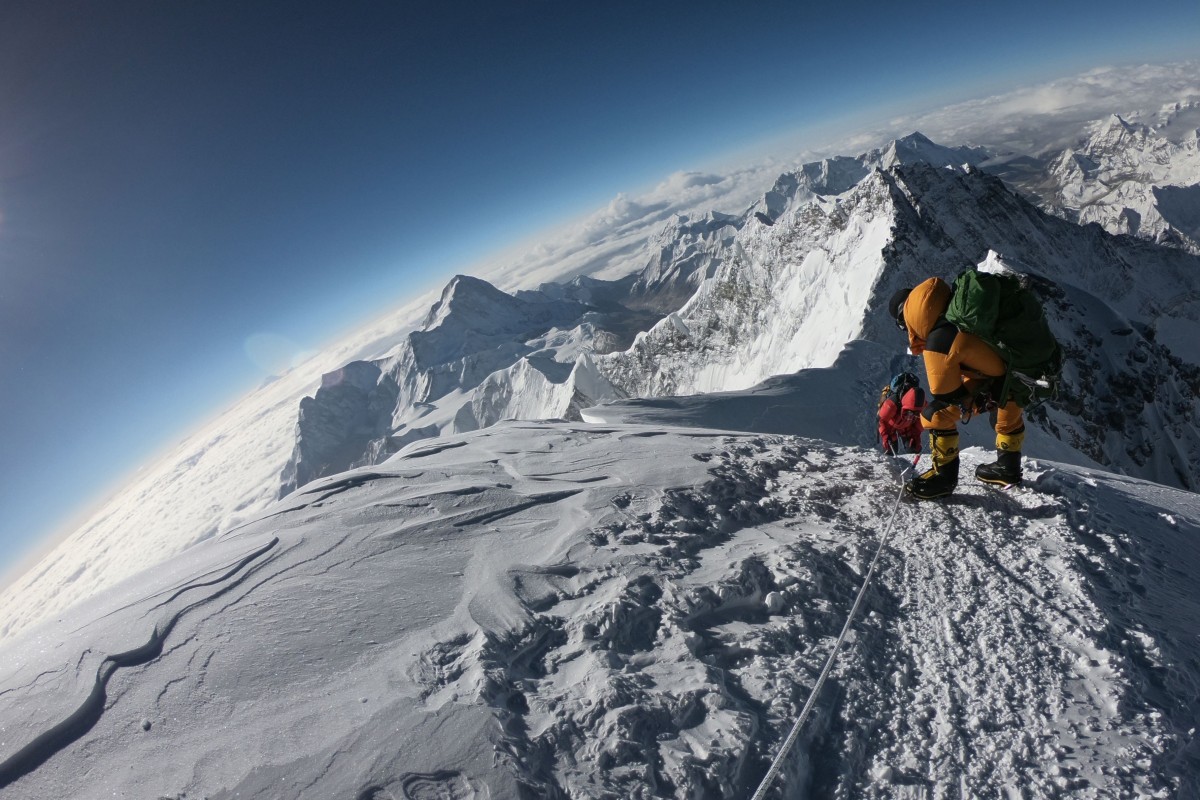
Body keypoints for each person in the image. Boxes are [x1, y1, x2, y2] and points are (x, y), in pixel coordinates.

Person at [888, 278, 1025, 499]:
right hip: (1021, 369)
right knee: (1009, 395)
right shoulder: (958, 312)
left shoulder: (938, 341)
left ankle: (943, 479)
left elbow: (947, 396)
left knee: (935, 414)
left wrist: (979, 400)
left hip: (999, 378)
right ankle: (1008, 467)